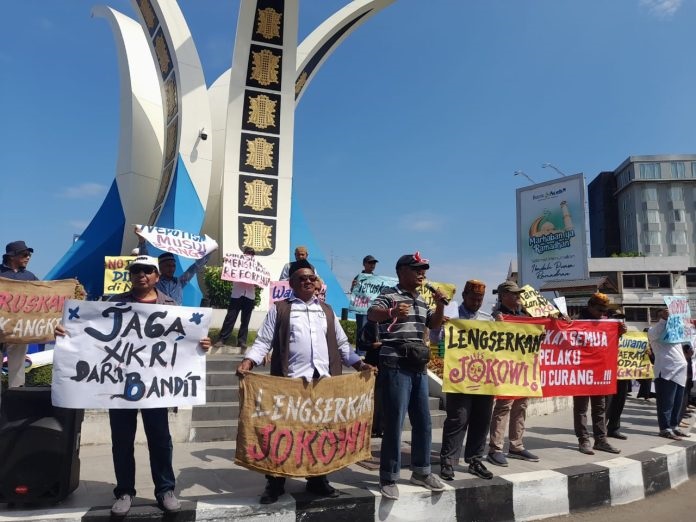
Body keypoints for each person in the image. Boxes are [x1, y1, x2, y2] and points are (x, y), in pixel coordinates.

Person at [56, 255, 211, 516]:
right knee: (122, 441)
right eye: (136, 270)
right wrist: (66, 332)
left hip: (156, 389)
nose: (141, 274)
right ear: (130, 275)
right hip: (119, 388)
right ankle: (125, 491)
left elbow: (185, 343)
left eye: (147, 270)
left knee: (161, 440)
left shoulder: (171, 306)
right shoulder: (114, 304)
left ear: (156, 275)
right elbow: (90, 334)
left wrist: (203, 344)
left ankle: (165, 489)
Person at [236, 259, 374, 504]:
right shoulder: (280, 309)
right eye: (302, 278)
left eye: (311, 278)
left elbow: (343, 346)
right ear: (291, 283)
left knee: (322, 435)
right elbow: (263, 343)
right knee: (283, 434)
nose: (308, 281)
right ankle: (275, 482)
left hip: (324, 384)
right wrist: (249, 362)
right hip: (290, 385)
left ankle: (318, 479)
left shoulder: (327, 311)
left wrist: (360, 365)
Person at [367, 252, 446, 501]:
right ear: (402, 271)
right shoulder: (389, 295)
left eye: (424, 269)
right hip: (395, 364)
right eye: (417, 269)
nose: (422, 273)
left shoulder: (422, 300)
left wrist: (441, 304)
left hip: (418, 366)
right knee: (395, 422)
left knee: (423, 421)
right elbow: (372, 314)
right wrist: (392, 312)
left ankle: (421, 472)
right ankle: (389, 476)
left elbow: (433, 325)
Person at [439, 280, 495, 481]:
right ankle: (448, 461)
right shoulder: (452, 316)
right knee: (458, 419)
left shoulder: (488, 319)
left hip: (485, 379)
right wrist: (442, 326)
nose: (477, 302)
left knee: (481, 420)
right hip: (460, 378)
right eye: (473, 298)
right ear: (464, 296)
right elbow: (437, 338)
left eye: (480, 299)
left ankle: (475, 460)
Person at [487, 280, 539, 467]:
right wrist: (497, 324)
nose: (518, 297)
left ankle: (516, 445)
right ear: (502, 296)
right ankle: (496, 449)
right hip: (505, 369)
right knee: (504, 407)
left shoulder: (525, 314)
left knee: (521, 406)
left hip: (524, 368)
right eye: (514, 294)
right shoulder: (495, 316)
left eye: (519, 293)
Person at [572, 292, 622, 455]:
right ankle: (584, 440)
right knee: (581, 408)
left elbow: (609, 344)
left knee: (600, 407)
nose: (602, 313)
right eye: (599, 310)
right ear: (590, 306)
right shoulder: (577, 320)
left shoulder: (607, 322)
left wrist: (619, 333)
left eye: (604, 310)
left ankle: (601, 440)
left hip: (600, 371)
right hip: (581, 371)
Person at [136, 229, 215, 305]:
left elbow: (195, 267)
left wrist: (209, 252)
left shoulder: (180, 282)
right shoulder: (155, 282)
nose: (171, 268)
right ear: (159, 267)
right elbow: (145, 261)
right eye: (168, 266)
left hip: (175, 317)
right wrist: (142, 241)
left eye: (173, 266)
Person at [0, 240, 39, 391]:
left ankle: (16, 401)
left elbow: (45, 296)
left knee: (17, 367)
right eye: (24, 254)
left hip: (19, 329)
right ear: (11, 256)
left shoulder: (30, 276)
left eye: (29, 255)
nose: (28, 257)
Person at [648, 307, 690, 440]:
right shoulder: (653, 330)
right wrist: (663, 320)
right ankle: (665, 429)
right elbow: (658, 331)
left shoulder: (674, 331)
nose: (668, 316)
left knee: (677, 403)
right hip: (666, 371)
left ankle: (674, 426)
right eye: (664, 315)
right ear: (659, 317)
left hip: (680, 371)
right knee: (666, 403)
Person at [214, 247, 257, 350]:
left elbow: (258, 281)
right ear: (244, 253)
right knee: (230, 318)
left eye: (251, 253)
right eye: (248, 253)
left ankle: (242, 341)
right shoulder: (237, 263)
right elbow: (229, 266)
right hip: (237, 294)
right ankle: (222, 339)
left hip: (250, 295)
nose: (249, 255)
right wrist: (227, 261)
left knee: (245, 320)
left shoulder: (256, 266)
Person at [606, 311, 630, 440]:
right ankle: (601, 428)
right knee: (607, 403)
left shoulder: (628, 336)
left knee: (620, 401)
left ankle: (614, 428)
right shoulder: (605, 332)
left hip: (623, 372)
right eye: (617, 318)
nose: (620, 321)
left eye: (622, 318)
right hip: (608, 372)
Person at [351, 255, 379, 332]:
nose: (372, 265)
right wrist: (353, 286)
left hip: (372, 309)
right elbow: (353, 293)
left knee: (374, 330)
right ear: (364, 264)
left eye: (374, 263)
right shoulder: (359, 277)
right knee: (362, 329)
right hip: (361, 310)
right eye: (370, 263)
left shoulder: (377, 279)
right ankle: (360, 344)